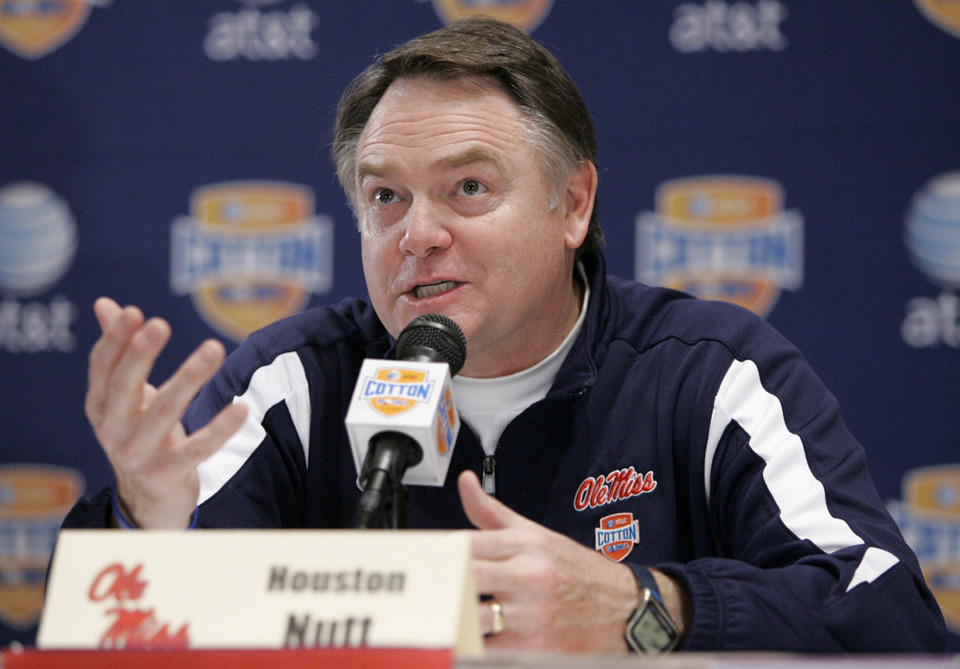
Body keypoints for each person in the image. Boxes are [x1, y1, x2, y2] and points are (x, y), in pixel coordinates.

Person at [63, 17, 945, 653]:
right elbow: (132, 634)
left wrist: (650, 605)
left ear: (574, 204)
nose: (417, 234)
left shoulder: (709, 373)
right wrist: (148, 525)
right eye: (384, 197)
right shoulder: (290, 385)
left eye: (469, 188)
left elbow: (891, 611)